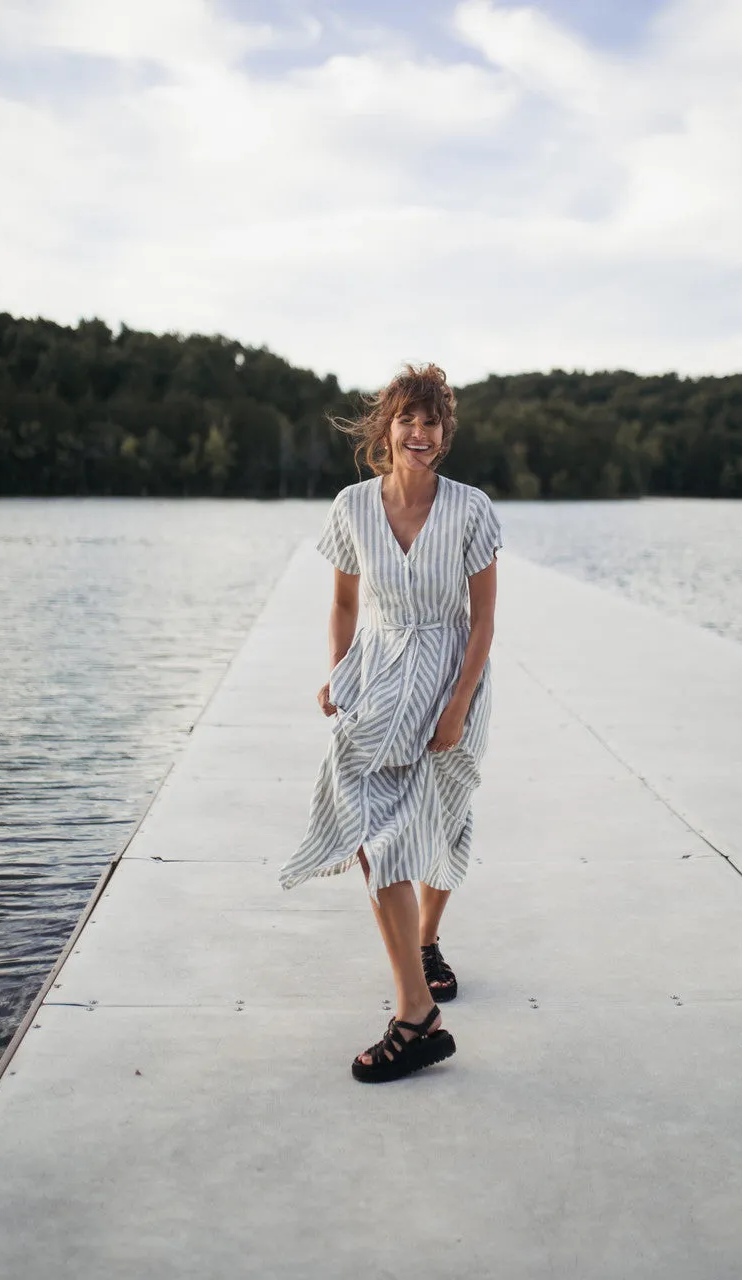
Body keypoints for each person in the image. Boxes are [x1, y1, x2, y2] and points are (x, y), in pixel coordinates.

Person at [278, 363, 502, 1082]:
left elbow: (484, 619)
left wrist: (457, 705)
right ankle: (416, 1013)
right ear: (387, 428)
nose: (419, 432)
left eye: (431, 421)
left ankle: (426, 943)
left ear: (444, 434)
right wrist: (339, 672)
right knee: (376, 831)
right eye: (407, 418)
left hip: (447, 677)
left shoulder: (470, 509)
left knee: (443, 819)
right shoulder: (350, 506)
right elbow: (343, 604)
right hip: (378, 678)